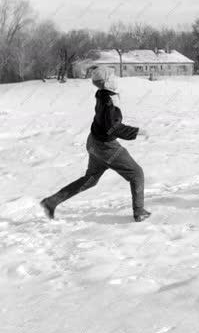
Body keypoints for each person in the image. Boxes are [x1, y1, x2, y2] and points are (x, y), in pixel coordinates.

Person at [40, 67, 151, 222]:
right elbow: (113, 128)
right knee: (137, 174)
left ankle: (51, 202)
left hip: (94, 143)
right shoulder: (109, 100)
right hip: (106, 147)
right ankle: (139, 212)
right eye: (112, 77)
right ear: (106, 82)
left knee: (91, 179)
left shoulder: (102, 95)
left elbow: (108, 122)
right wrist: (139, 131)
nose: (115, 79)